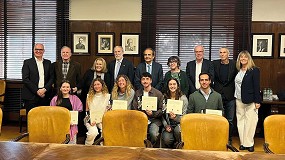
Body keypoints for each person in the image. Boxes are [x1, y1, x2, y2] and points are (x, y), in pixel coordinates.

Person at [234, 50, 261, 152]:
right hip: (238, 99)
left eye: (245, 57)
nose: (243, 59)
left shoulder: (254, 70)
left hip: (251, 100)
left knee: (251, 122)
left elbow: (257, 86)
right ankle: (242, 143)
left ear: (249, 59)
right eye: (241, 57)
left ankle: (249, 143)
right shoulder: (238, 70)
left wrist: (257, 101)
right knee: (240, 121)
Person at [213, 47, 238, 145]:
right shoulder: (215, 63)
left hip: (230, 95)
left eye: (224, 52)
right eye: (220, 52)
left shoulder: (234, 64)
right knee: (217, 118)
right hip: (218, 94)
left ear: (228, 54)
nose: (222, 54)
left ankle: (229, 139)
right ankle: (218, 138)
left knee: (230, 119)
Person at [132, 72, 163, 146]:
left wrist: (153, 114)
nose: (145, 81)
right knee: (135, 133)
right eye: (143, 79)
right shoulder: (138, 93)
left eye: (147, 79)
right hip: (140, 120)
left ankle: (150, 149)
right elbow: (134, 108)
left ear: (151, 81)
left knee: (153, 134)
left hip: (154, 120)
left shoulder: (158, 94)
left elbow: (162, 110)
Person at [22, 43, 54, 113]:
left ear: (43, 51)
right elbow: (25, 79)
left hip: (45, 95)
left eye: (40, 49)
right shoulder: (27, 62)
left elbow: (52, 78)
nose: (38, 51)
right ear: (33, 50)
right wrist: (37, 91)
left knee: (44, 118)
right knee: (31, 119)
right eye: (36, 49)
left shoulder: (48, 63)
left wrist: (44, 89)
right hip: (31, 96)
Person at [50, 80, 83, 144]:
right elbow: (51, 113)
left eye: (67, 87)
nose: (65, 89)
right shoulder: (55, 99)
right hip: (58, 124)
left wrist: (73, 120)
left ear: (70, 88)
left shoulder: (75, 98)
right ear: (60, 88)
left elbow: (79, 111)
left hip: (71, 125)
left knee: (71, 148)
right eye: (64, 87)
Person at [161, 78, 188, 148]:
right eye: (170, 84)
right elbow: (162, 114)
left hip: (179, 124)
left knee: (177, 130)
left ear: (178, 86)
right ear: (167, 86)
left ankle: (178, 145)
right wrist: (166, 125)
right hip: (168, 124)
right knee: (166, 139)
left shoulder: (183, 99)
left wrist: (176, 118)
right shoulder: (164, 98)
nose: (172, 86)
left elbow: (185, 117)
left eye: (174, 84)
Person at [85, 78, 111, 145]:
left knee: (106, 131)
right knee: (93, 132)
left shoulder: (108, 96)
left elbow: (109, 109)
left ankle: (103, 148)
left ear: (102, 85)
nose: (97, 86)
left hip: (103, 120)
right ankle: (87, 147)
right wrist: (90, 120)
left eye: (98, 84)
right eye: (95, 85)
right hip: (91, 119)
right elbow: (87, 111)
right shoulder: (89, 96)